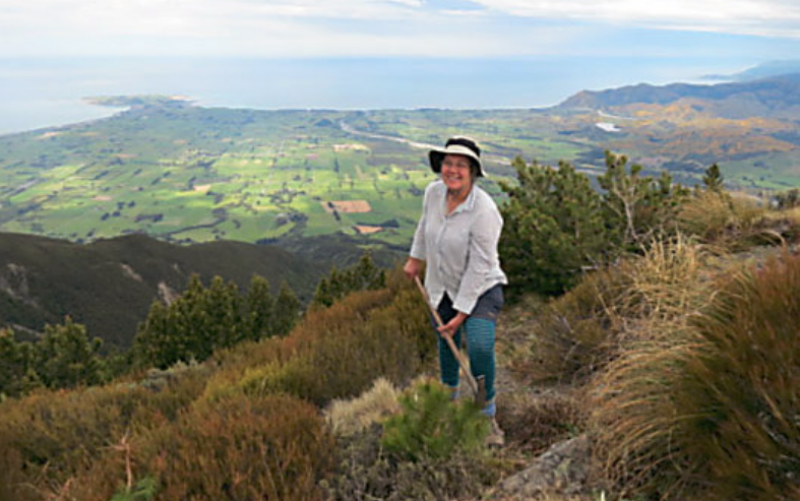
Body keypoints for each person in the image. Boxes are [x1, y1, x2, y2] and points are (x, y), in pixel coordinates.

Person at [404, 135, 508, 446]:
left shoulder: (485, 211)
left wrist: (462, 313)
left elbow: (479, 266)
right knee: (444, 339)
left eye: (461, 165)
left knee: (478, 344)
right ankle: (448, 396)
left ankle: (485, 411)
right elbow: (425, 226)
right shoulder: (433, 193)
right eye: (448, 163)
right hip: (441, 282)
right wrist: (414, 259)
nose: (453, 170)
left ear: (473, 172)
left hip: (481, 287)